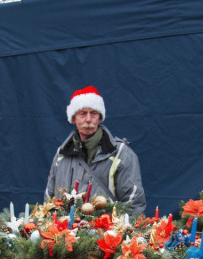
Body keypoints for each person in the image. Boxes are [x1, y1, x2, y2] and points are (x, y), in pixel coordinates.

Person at [45, 86, 146, 217]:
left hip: (104, 234)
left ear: (99, 117)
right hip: (64, 235)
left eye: (93, 113)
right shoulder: (61, 154)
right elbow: (49, 199)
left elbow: (134, 204)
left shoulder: (121, 154)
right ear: (73, 118)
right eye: (82, 113)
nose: (88, 119)